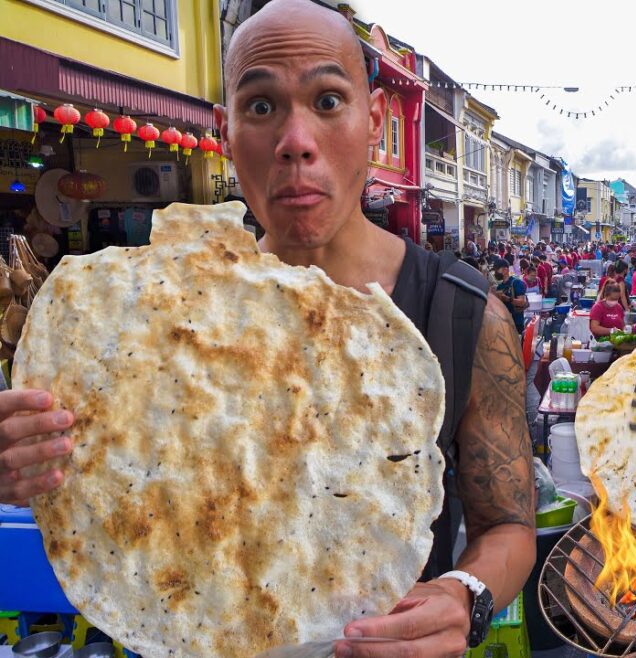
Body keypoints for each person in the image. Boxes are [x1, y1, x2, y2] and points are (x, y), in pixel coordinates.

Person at [1, 4, 535, 656]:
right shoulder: (148, 325)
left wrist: (465, 595)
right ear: (225, 130)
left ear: (374, 122)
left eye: (329, 99)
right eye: (261, 107)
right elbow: (99, 493)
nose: (295, 138)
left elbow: (508, 524)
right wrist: (26, 463)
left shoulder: (463, 317)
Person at [492, 259, 529, 334]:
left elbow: (522, 302)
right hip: (504, 324)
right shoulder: (499, 287)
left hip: (516, 324)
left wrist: (507, 299)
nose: (495, 273)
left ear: (505, 270)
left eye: (497, 270)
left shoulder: (516, 283)